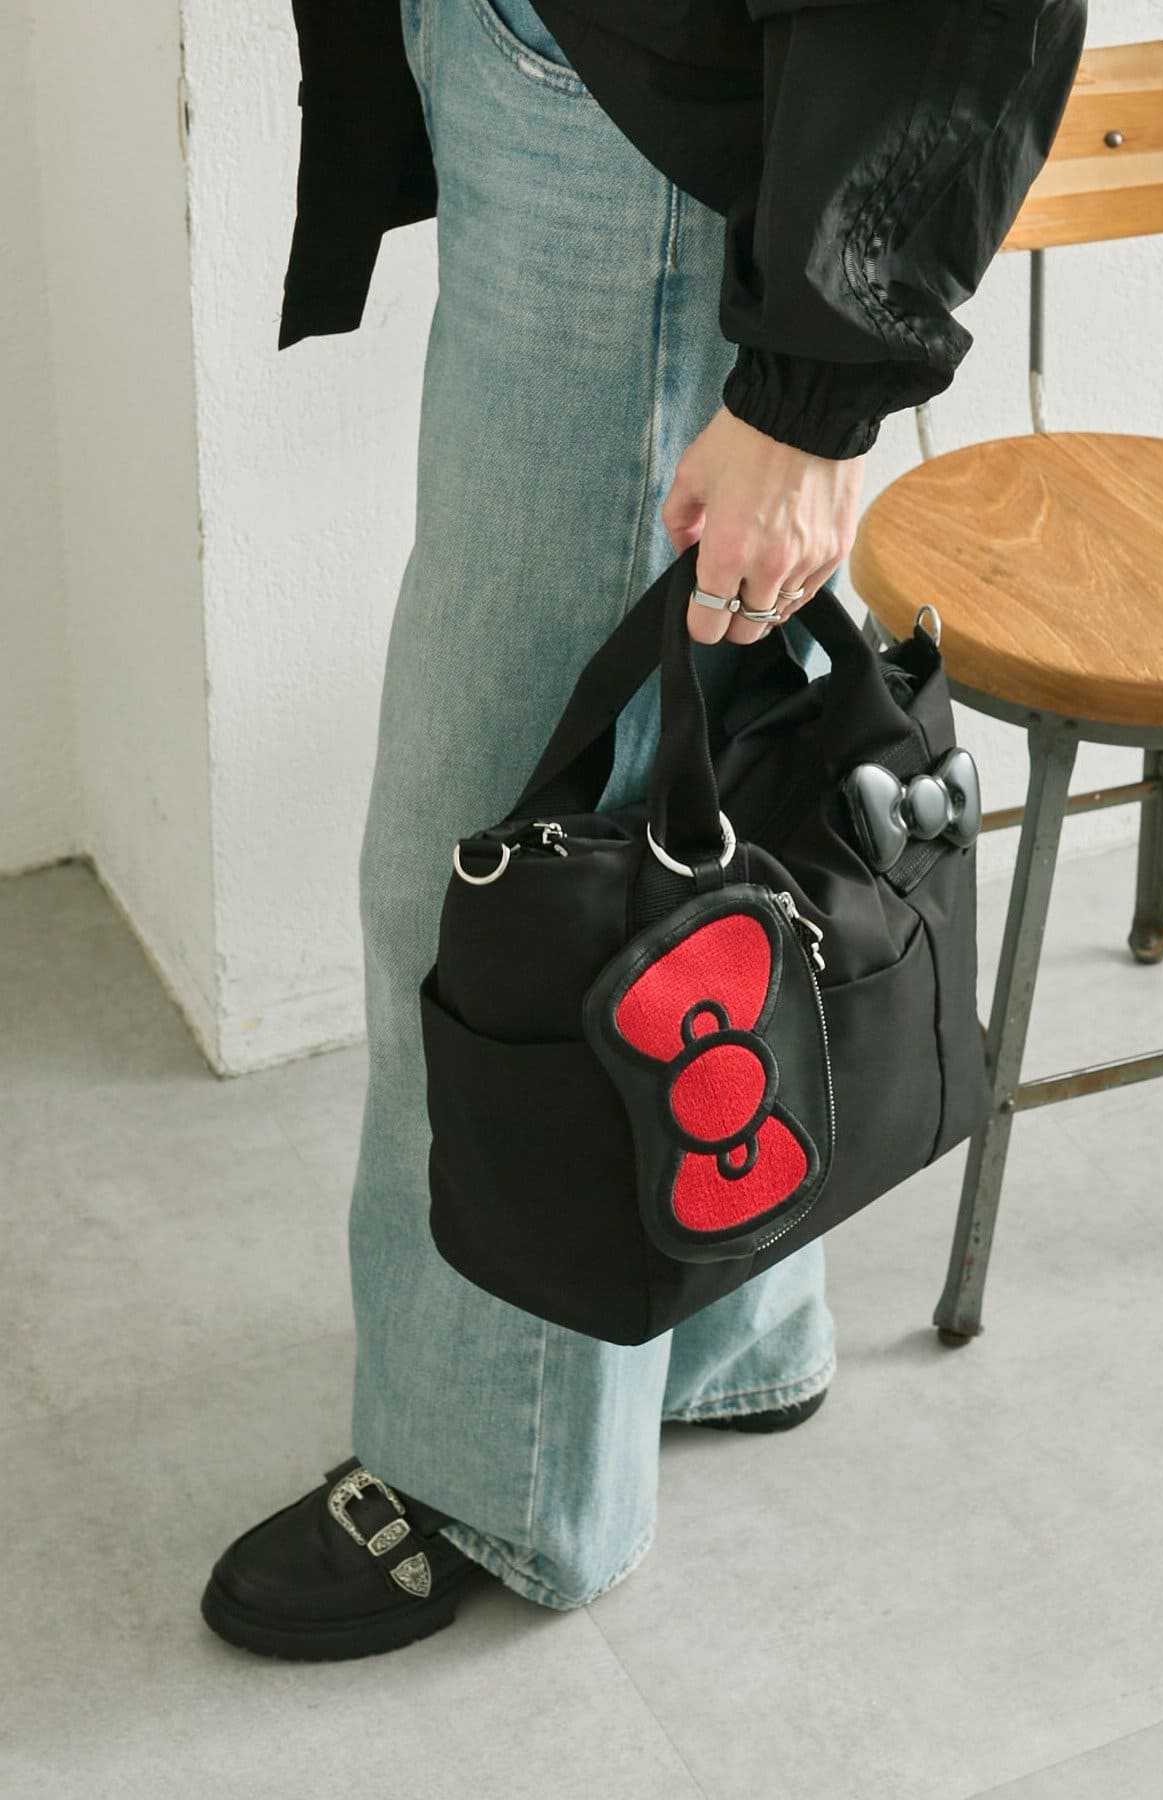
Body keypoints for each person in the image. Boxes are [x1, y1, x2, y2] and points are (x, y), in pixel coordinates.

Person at [200, 0, 1086, 1659]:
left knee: (492, 884)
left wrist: (816, 398)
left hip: (628, 123)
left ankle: (496, 1478)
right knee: (689, 799)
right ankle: (726, 1325)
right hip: (576, 64)